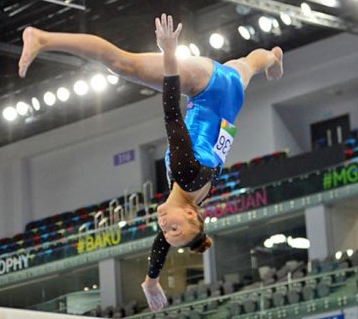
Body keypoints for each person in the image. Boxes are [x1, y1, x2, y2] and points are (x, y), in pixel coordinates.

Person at [18, 16, 284, 312]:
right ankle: (44, 38)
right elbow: (171, 112)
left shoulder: (190, 198)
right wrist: (170, 53)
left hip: (232, 99)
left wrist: (151, 280)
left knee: (249, 64)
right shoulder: (187, 174)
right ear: (187, 214)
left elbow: (163, 243)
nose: (165, 229)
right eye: (174, 228)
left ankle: (273, 57)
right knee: (122, 65)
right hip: (209, 88)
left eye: (169, 233)